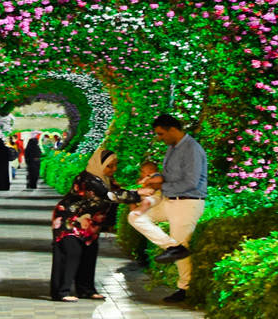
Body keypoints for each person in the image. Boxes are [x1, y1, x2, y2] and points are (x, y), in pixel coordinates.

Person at [127, 115, 206, 304]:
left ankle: (184, 288)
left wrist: (159, 186)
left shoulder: (192, 148)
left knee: (182, 243)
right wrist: (154, 181)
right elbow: (169, 177)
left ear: (172, 129)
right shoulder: (172, 148)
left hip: (187, 202)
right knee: (136, 217)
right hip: (169, 200)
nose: (159, 138)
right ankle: (172, 248)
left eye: (161, 134)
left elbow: (190, 182)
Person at [48, 146, 137, 302]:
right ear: (99, 164)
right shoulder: (87, 179)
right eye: (110, 166)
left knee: (89, 253)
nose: (113, 169)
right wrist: (138, 194)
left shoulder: (107, 180)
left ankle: (86, 290)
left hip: (90, 223)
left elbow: (120, 193)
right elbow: (110, 196)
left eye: (115, 165)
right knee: (70, 253)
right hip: (69, 220)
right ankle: (61, 291)